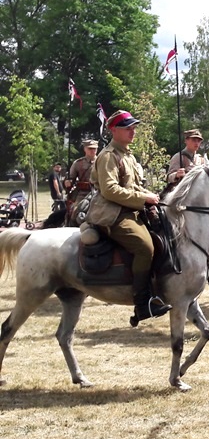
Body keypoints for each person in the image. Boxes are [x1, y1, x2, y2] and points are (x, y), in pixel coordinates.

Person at [89, 110, 169, 323]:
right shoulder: (108, 156)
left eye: (134, 128)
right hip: (113, 213)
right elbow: (109, 190)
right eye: (128, 128)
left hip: (132, 210)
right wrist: (143, 199)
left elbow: (135, 186)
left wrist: (149, 197)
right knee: (145, 248)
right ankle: (142, 304)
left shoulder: (128, 155)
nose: (133, 132)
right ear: (114, 130)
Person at [64, 140, 99, 225]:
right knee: (75, 212)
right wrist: (68, 182)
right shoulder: (78, 163)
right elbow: (71, 178)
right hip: (83, 193)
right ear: (85, 149)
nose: (93, 151)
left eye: (95, 149)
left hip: (99, 192)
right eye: (90, 148)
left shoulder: (102, 161)